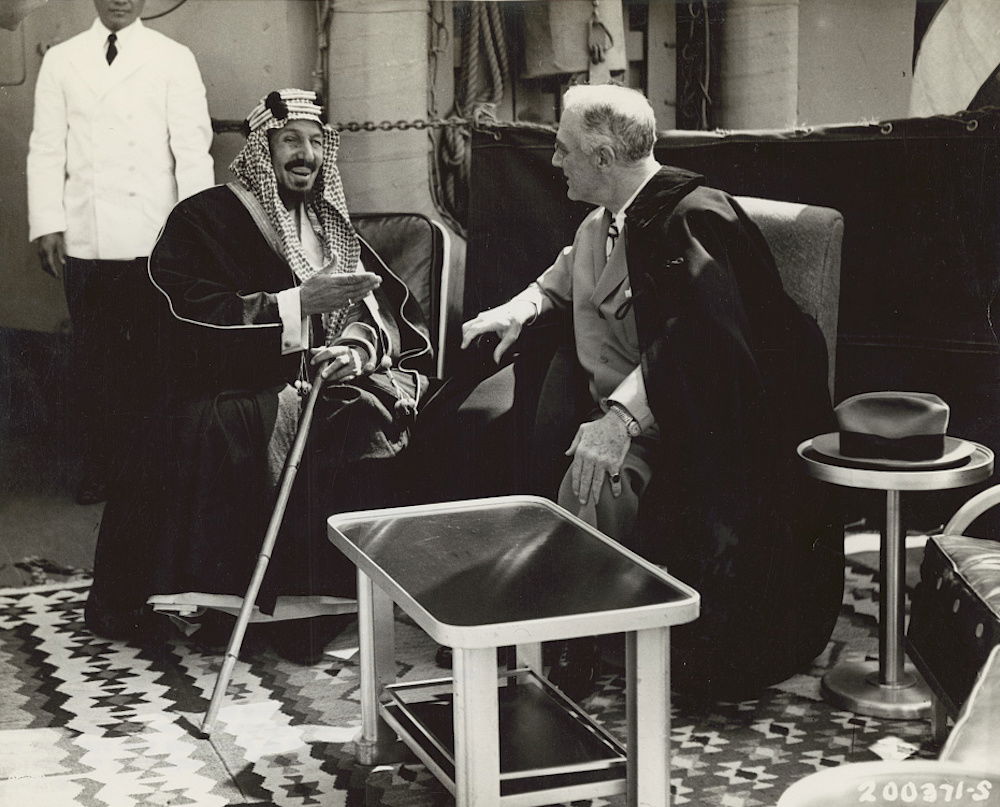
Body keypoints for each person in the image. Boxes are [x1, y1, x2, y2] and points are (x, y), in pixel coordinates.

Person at [460, 84, 844, 700]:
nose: (555, 162)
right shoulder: (603, 222)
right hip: (637, 408)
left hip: (699, 420)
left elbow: (704, 341)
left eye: (563, 150)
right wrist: (518, 309)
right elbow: (560, 279)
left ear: (604, 158)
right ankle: (567, 623)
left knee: (591, 481)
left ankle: (577, 647)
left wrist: (619, 418)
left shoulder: (696, 217)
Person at [84, 89, 435, 663]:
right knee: (250, 420)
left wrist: (355, 347)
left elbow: (374, 310)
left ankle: (319, 609)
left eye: (316, 142)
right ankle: (236, 607)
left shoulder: (329, 223)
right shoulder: (206, 218)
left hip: (325, 384)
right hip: (227, 382)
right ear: (261, 151)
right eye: (290, 141)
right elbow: (183, 318)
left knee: (371, 413)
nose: (306, 154)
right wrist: (296, 304)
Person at [27, 0, 214, 505]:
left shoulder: (173, 58)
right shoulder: (62, 59)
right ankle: (101, 467)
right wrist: (48, 223)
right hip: (87, 236)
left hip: (155, 238)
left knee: (158, 358)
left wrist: (193, 233)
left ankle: (156, 473)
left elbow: (193, 151)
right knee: (95, 360)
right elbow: (47, 147)